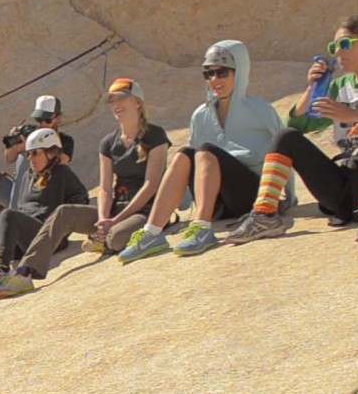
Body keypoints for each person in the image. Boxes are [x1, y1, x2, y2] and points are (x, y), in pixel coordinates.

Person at [228, 15, 358, 245]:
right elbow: (299, 126)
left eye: (345, 44)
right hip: (348, 188)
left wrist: (356, 115)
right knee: (286, 136)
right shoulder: (339, 87)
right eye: (334, 47)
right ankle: (264, 216)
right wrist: (312, 88)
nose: (338, 52)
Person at [118, 39, 294, 263]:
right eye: (208, 74)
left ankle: (202, 227)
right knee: (185, 153)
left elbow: (284, 150)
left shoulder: (261, 111)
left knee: (206, 151)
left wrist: (289, 196)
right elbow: (194, 164)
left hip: (253, 196)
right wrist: (183, 202)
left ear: (239, 72)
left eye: (222, 73)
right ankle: (152, 232)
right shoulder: (200, 116)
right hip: (218, 203)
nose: (215, 80)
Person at [0, 78, 171, 297]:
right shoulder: (108, 142)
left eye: (122, 99)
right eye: (112, 101)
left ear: (137, 102)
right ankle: (24, 272)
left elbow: (151, 184)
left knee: (115, 237)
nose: (116, 105)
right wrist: (103, 218)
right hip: (115, 209)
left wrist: (113, 222)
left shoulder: (155, 135)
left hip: (146, 210)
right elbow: (105, 189)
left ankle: (105, 239)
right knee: (64, 212)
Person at [0, 128, 89, 293]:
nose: (30, 158)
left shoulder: (62, 173)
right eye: (28, 154)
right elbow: (24, 207)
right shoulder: (29, 175)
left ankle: (3, 271)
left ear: (50, 153)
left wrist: (62, 225)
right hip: (23, 242)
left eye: (35, 153)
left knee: (8, 214)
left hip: (48, 239)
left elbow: (81, 200)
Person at [0, 95, 76, 213]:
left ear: (58, 119)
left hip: (43, 195)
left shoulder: (65, 140)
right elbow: (9, 159)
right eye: (39, 120)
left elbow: (60, 165)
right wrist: (14, 145)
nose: (43, 124)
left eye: (47, 120)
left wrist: (33, 148)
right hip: (18, 193)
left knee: (27, 157)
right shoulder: (29, 133)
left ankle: (14, 215)